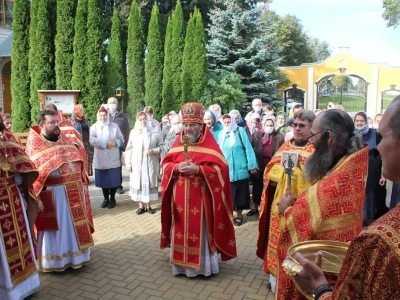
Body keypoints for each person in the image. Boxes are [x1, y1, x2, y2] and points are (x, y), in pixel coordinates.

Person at [291, 95, 400, 300]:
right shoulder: (349, 164)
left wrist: (320, 289)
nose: (379, 147)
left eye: (383, 137)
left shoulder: (380, 241)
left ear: (329, 137)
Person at [274, 109, 369, 299]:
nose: (309, 139)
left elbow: (308, 220)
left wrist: (288, 209)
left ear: (329, 137)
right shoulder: (348, 162)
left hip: (324, 272)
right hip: (331, 260)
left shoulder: (340, 177)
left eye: (313, 134)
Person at [160, 102, 237, 278]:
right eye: (185, 125)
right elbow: (165, 165)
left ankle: (202, 267)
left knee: (199, 230)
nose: (188, 129)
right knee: (180, 227)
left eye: (192, 125)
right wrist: (177, 167)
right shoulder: (178, 141)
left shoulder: (209, 145)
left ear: (200, 125)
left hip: (200, 197)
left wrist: (199, 170)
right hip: (179, 196)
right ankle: (180, 265)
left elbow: (221, 169)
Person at [25, 110, 94, 272]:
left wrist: (82, 186)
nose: (57, 125)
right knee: (56, 231)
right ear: (42, 125)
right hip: (53, 196)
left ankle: (78, 257)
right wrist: (36, 198)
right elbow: (30, 178)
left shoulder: (65, 141)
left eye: (57, 122)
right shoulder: (35, 148)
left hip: (74, 193)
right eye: (52, 123)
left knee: (72, 227)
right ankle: (56, 262)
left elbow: (78, 163)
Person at [257, 109, 315, 293]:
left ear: (312, 128)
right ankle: (275, 279)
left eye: (302, 126)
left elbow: (318, 182)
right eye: (295, 125)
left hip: (300, 208)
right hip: (279, 205)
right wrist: (282, 172)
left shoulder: (315, 150)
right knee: (277, 242)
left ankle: (293, 286)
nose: (297, 129)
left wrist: (296, 173)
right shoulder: (286, 146)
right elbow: (269, 171)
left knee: (295, 245)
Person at [0, 121, 41, 300]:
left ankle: (23, 286)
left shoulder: (7, 136)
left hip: (11, 197)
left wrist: (24, 193)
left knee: (18, 239)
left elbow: (24, 165)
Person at [218, 114, 258, 226]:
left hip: (241, 169)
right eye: (225, 122)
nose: (227, 124)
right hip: (227, 171)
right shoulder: (221, 134)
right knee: (228, 195)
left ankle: (239, 215)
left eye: (228, 122)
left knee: (241, 194)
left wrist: (252, 165)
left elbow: (248, 148)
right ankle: (230, 215)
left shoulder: (240, 131)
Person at [125, 112, 162, 215]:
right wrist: (128, 163)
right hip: (137, 162)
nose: (143, 121)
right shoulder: (133, 132)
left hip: (150, 162)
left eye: (144, 119)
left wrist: (154, 150)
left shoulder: (154, 131)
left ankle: (149, 206)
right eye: (141, 119)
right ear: (137, 120)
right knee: (139, 183)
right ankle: (141, 206)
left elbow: (161, 146)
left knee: (149, 182)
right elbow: (129, 148)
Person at [248, 118, 284, 216]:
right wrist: (252, 165)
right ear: (263, 125)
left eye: (271, 125)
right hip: (258, 165)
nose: (269, 127)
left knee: (270, 187)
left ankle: (267, 208)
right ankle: (255, 207)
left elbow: (282, 151)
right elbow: (250, 150)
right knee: (257, 186)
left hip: (272, 166)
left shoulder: (279, 136)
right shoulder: (256, 135)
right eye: (267, 125)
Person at [90, 106, 124, 209]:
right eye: (101, 115)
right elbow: (92, 140)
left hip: (113, 157)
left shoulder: (114, 126)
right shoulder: (94, 127)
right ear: (98, 116)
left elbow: (122, 139)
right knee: (104, 180)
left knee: (113, 179)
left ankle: (112, 198)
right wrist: (105, 143)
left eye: (105, 115)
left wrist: (114, 142)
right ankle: (105, 198)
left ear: (108, 115)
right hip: (101, 158)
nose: (103, 117)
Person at [354, 111, 386, 222]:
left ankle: (368, 217)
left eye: (362, 121)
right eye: (357, 120)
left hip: (371, 169)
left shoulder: (374, 134)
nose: (359, 123)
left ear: (366, 122)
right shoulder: (351, 134)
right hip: (355, 170)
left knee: (369, 192)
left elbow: (381, 151)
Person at [107, 97, 130, 194]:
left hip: (119, 146)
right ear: (107, 104)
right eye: (110, 102)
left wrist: (125, 145)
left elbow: (126, 131)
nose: (112, 104)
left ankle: (118, 185)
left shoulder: (122, 116)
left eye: (114, 102)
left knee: (118, 166)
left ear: (117, 104)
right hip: (107, 146)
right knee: (108, 166)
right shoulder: (105, 115)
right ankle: (109, 185)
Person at [69, 104, 93, 176]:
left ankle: (86, 175)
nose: (81, 111)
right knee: (79, 160)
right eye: (80, 110)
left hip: (86, 143)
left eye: (82, 110)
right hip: (77, 144)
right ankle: (79, 175)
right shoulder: (71, 121)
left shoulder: (85, 119)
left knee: (88, 158)